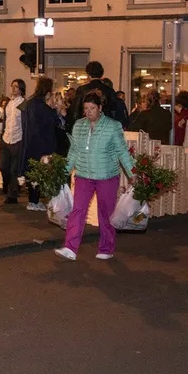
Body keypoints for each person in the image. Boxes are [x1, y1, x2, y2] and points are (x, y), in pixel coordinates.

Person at [56, 91, 135, 262]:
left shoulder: (113, 126)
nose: (88, 112)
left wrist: (133, 173)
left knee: (106, 212)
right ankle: (70, 247)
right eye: (86, 108)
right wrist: (63, 173)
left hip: (107, 175)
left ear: (100, 108)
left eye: (92, 108)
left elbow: (122, 151)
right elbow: (74, 152)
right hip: (83, 174)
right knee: (78, 210)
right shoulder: (79, 125)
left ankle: (106, 248)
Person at [20, 77, 59, 210]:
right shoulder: (42, 107)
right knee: (40, 172)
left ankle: (32, 200)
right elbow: (53, 121)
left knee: (32, 172)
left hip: (29, 142)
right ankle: (35, 201)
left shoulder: (29, 103)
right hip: (41, 144)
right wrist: (55, 109)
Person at [67, 61, 117, 132]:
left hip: (86, 128)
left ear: (88, 74)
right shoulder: (109, 91)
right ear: (101, 74)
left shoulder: (82, 90)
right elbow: (114, 112)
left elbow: (75, 112)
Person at [0, 79, 27, 204]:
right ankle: (8, 185)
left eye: (16, 86)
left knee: (14, 169)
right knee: (3, 166)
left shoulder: (24, 104)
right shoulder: (9, 103)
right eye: (13, 86)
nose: (14, 88)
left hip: (18, 139)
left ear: (21, 89)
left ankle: (12, 194)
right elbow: (5, 121)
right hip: (6, 138)